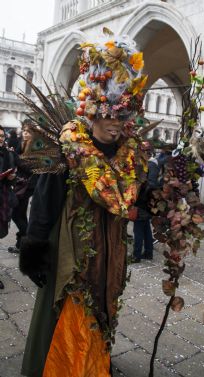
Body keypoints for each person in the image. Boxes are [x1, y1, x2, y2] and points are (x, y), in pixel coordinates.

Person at [18, 32, 149, 377]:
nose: (114, 123)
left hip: (111, 258)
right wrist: (34, 246)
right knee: (71, 317)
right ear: (91, 110)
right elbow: (44, 203)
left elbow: (139, 197)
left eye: (121, 117)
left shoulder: (130, 155)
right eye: (107, 114)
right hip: (72, 255)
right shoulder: (69, 147)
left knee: (104, 313)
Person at [132, 150, 169, 262]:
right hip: (151, 203)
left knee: (138, 229)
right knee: (146, 228)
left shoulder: (151, 165)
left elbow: (149, 185)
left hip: (143, 202)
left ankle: (136, 255)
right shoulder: (161, 165)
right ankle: (148, 252)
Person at [8, 120, 38, 254]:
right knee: (19, 214)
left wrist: (15, 157)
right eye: (24, 131)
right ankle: (22, 245)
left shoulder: (36, 147)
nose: (25, 134)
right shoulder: (22, 143)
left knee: (16, 213)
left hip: (28, 185)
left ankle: (27, 241)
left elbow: (30, 168)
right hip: (20, 183)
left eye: (28, 132)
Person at [0, 125, 17, 239]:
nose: (0, 139)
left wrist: (12, 177)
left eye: (1, 136)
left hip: (2, 196)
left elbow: (11, 178)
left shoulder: (8, 154)